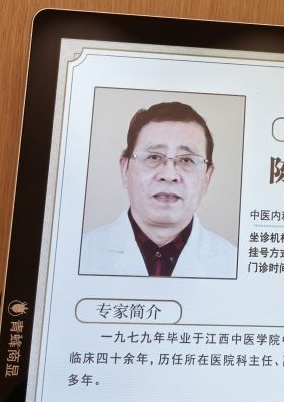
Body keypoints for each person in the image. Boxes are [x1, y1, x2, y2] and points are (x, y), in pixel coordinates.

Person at [80, 100, 237, 277]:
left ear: (207, 177)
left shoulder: (233, 263)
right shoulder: (79, 254)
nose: (169, 175)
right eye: (154, 157)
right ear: (125, 169)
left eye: (186, 160)